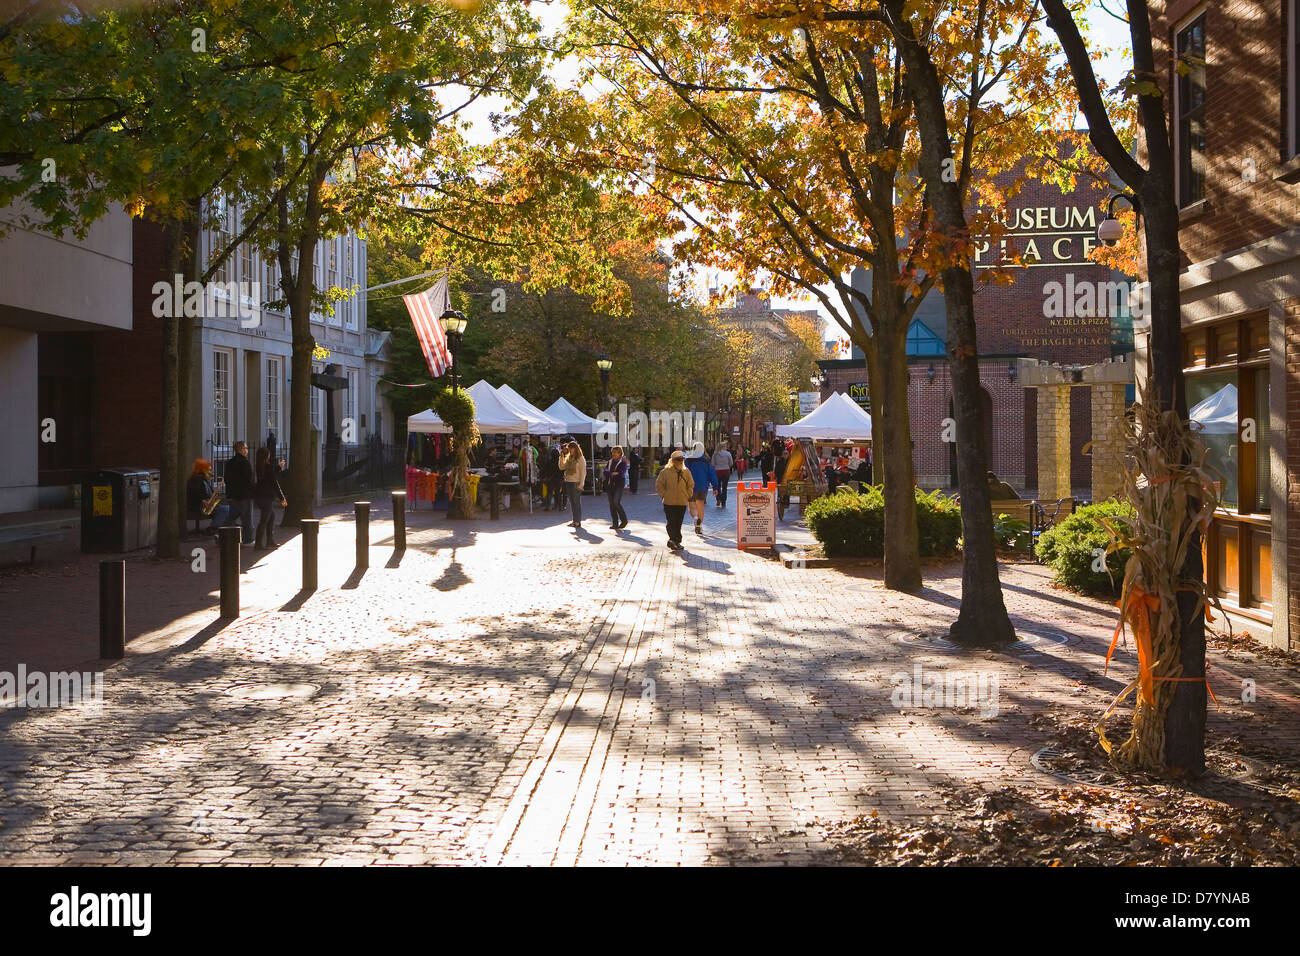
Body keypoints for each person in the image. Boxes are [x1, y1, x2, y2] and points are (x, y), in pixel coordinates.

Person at [655, 449, 694, 551]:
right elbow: (659, 485)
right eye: (678, 459)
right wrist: (664, 495)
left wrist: (688, 494)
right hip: (669, 502)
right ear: (672, 460)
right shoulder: (665, 472)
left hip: (682, 501)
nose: (680, 461)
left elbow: (691, 484)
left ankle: (676, 541)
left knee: (678, 522)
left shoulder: (686, 471)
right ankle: (673, 539)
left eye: (682, 459)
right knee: (671, 522)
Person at [683, 440, 719, 536]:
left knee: (691, 505)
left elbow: (684, 473)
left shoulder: (688, 460)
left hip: (690, 486)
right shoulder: (706, 460)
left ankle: (695, 519)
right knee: (700, 505)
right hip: (703, 486)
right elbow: (712, 474)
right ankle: (700, 524)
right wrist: (715, 486)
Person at [253, 447, 287, 549]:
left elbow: (269, 476)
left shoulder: (259, 466)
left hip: (259, 497)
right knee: (264, 520)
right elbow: (274, 483)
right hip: (266, 497)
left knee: (271, 517)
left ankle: (270, 540)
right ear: (267, 456)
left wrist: (278, 467)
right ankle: (259, 543)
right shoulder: (268, 467)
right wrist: (282, 498)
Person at [224, 440, 255, 546]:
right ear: (241, 449)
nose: (247, 450)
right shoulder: (245, 463)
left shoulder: (229, 463)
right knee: (246, 518)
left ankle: (222, 533)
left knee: (232, 516)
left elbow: (227, 479)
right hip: (244, 496)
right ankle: (248, 539)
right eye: (245, 448)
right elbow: (249, 480)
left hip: (232, 495)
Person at [559, 439, 587, 528]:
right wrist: (561, 457)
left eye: (572, 448)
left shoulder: (580, 458)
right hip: (568, 481)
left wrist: (581, 484)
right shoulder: (569, 457)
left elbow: (583, 472)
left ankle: (577, 521)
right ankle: (574, 520)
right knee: (571, 502)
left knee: (576, 502)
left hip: (576, 482)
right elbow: (561, 467)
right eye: (569, 449)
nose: (570, 450)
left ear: (576, 449)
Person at [605, 445, 629, 530]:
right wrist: (613, 473)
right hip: (610, 485)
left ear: (620, 453)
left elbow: (621, 473)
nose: (613, 454)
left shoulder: (623, 462)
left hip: (619, 485)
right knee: (612, 505)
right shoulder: (610, 461)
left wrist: (612, 473)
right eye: (613, 452)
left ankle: (624, 520)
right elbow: (605, 472)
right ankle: (615, 523)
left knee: (616, 502)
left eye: (615, 452)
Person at [711, 442, 734, 508]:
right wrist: (727, 466)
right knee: (724, 487)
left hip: (717, 471)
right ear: (724, 447)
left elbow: (712, 464)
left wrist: (717, 466)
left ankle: (718, 499)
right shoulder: (728, 454)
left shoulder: (715, 454)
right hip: (726, 471)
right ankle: (723, 503)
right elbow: (731, 463)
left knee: (717, 486)